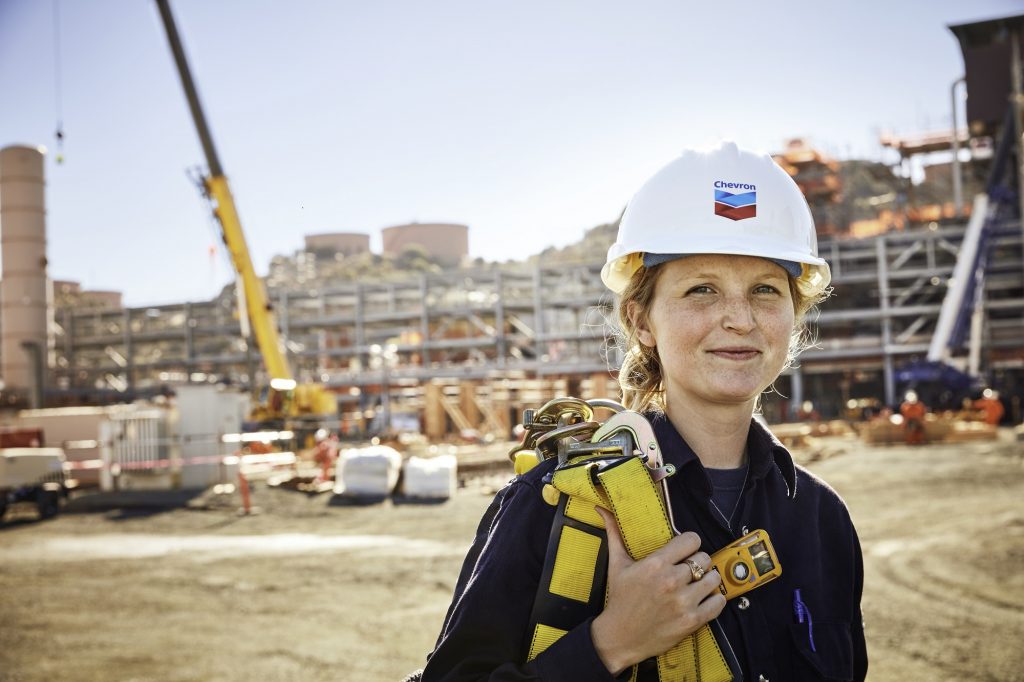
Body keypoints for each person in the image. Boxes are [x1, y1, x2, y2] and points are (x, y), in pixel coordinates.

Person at [420, 142, 868, 681]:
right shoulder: (556, 501)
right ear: (641, 321)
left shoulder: (820, 519)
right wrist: (609, 645)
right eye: (701, 289)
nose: (740, 318)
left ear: (793, 320)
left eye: (765, 291)